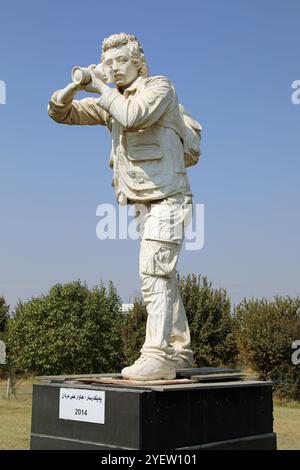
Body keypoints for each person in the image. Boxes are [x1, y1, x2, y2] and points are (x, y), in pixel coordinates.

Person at [48, 32, 195, 381]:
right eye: (108, 63)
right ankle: (181, 351)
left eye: (120, 62)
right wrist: (77, 84)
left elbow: (133, 115)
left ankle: (156, 356)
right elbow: (60, 113)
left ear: (138, 62)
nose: (113, 69)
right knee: (165, 277)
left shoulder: (160, 87)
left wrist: (101, 88)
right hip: (143, 202)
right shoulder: (111, 98)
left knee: (153, 271)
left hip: (169, 196)